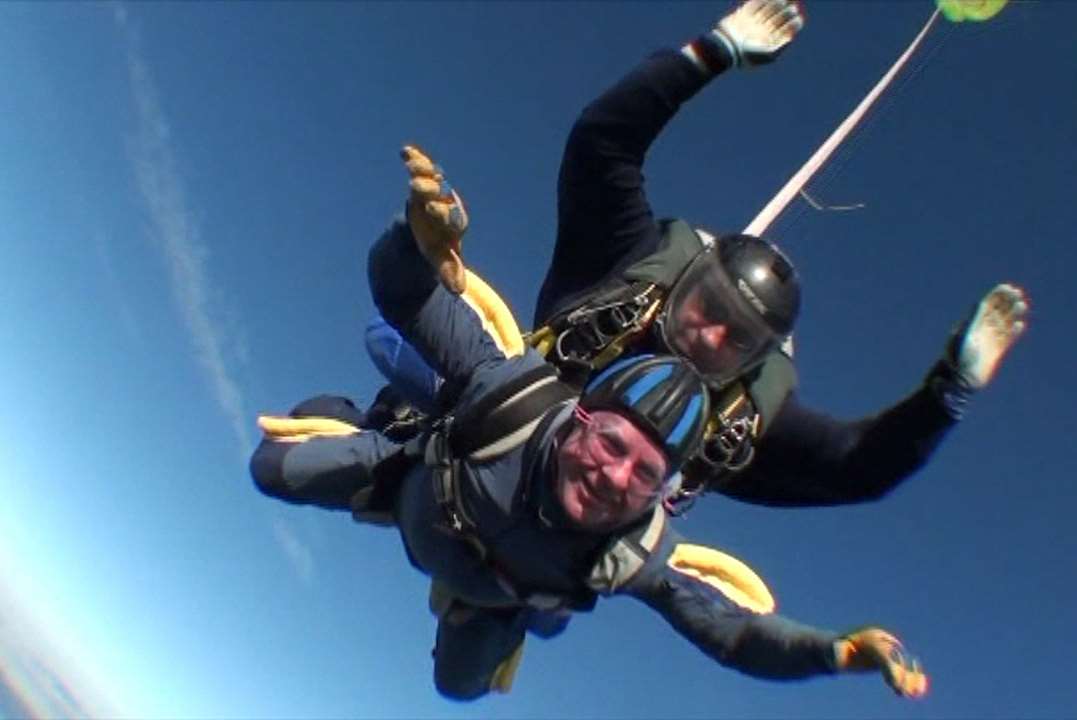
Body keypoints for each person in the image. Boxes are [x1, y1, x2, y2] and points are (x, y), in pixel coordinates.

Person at [249, 162, 929, 702]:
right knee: (270, 467)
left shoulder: (632, 548)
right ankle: (379, 421)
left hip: (490, 592)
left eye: (641, 477)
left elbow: (729, 633)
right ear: (578, 416)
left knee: (456, 689)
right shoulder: (511, 393)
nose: (613, 479)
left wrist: (832, 654)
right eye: (610, 447)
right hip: (411, 485)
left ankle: (522, 618)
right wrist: (413, 237)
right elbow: (404, 297)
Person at [370, 0, 1029, 512]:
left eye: (737, 339)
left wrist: (949, 391)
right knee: (385, 378)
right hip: (471, 425)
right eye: (711, 307)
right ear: (684, 282)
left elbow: (855, 469)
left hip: (547, 534)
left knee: (502, 631)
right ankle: (390, 445)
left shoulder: (742, 416)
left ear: (753, 361)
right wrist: (706, 54)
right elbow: (601, 146)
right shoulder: (621, 264)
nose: (712, 335)